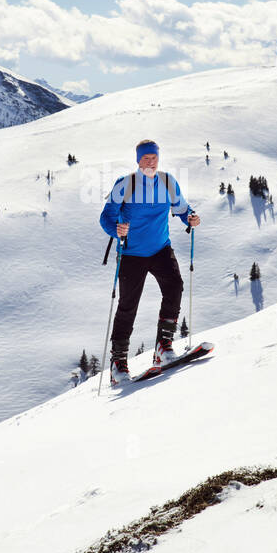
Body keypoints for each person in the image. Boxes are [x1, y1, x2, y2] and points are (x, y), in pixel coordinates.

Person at [99, 140, 200, 383]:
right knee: (127, 307)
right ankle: (118, 363)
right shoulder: (125, 184)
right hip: (132, 254)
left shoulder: (168, 182)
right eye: (146, 158)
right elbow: (106, 217)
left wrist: (191, 218)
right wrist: (116, 229)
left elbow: (182, 209)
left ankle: (163, 347)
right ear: (138, 160)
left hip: (160, 250)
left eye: (154, 157)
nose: (151, 162)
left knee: (175, 286)